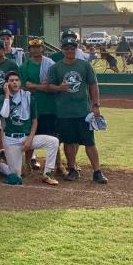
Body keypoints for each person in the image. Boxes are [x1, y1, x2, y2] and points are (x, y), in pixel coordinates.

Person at [47, 37, 108, 184]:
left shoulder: (84, 65)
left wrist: (96, 105)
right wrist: (59, 88)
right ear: (62, 50)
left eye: (72, 48)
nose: (69, 51)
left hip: (83, 111)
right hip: (64, 111)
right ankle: (72, 169)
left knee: (89, 142)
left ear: (76, 49)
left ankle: (97, 171)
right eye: (66, 48)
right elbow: (49, 86)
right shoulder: (56, 67)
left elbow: (93, 85)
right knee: (68, 141)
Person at [0, 71, 60, 185]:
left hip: (26, 138)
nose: (15, 83)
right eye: (11, 81)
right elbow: (5, 114)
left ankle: (47, 174)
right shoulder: (2, 99)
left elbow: (34, 121)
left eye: (16, 80)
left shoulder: (28, 97)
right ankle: (1, 165)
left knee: (53, 141)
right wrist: (7, 95)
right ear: (6, 84)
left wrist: (30, 139)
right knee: (16, 177)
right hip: (11, 140)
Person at [19, 37, 58, 173]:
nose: (36, 49)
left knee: (53, 137)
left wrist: (34, 86)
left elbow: (51, 87)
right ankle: (27, 164)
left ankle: (56, 165)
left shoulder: (50, 64)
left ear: (43, 49)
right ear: (29, 50)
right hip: (31, 106)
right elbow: (24, 87)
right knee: (31, 136)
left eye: (38, 47)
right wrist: (41, 86)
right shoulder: (24, 67)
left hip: (49, 106)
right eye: (33, 47)